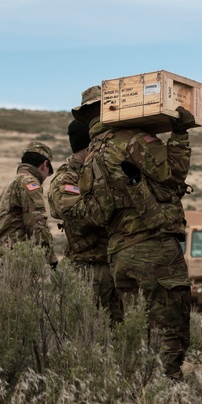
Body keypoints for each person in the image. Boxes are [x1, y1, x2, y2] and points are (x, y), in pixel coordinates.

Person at [73, 85, 197, 379]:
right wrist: (179, 134)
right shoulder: (130, 139)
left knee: (135, 331)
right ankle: (167, 394)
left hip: (119, 255)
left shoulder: (91, 156)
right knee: (169, 326)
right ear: (113, 105)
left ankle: (137, 392)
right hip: (151, 248)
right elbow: (173, 172)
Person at [47, 117, 123, 323]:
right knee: (86, 333)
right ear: (89, 143)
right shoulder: (67, 178)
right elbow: (79, 213)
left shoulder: (103, 171)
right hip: (87, 272)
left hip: (116, 267)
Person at [0, 141, 58, 268]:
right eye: (48, 173)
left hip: (1, 259)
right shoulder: (30, 183)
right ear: (45, 165)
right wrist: (51, 259)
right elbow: (37, 223)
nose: (45, 177)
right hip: (17, 261)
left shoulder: (11, 184)